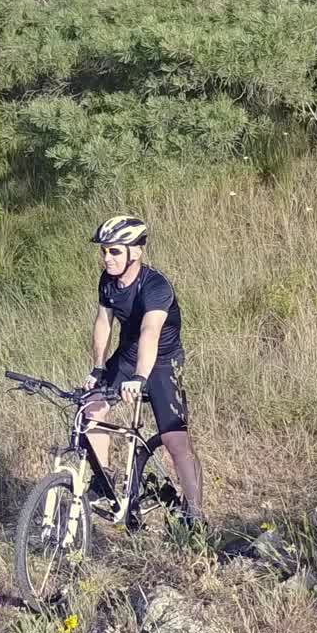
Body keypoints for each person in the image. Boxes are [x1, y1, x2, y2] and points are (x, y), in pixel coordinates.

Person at [83, 215, 204, 522]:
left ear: (136, 252)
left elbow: (150, 332)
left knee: (176, 441)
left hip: (163, 362)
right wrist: (98, 368)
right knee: (91, 408)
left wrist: (139, 378)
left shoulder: (156, 286)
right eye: (104, 251)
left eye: (114, 251)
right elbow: (103, 322)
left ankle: (195, 513)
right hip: (127, 357)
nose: (107, 257)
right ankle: (104, 481)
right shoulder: (108, 281)